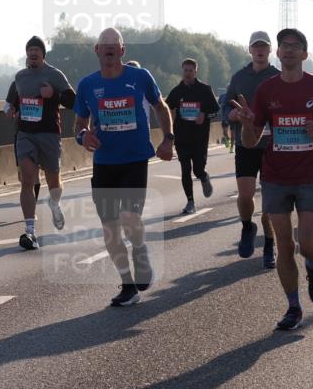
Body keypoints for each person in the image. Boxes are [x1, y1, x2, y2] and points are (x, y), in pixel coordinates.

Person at [229, 28, 313, 330]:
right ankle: (293, 307)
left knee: (306, 244)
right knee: (283, 245)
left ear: (305, 54)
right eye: (284, 46)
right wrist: (246, 123)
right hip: (276, 176)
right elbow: (252, 140)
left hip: (310, 175)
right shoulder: (267, 91)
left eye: (296, 46)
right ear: (277, 54)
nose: (289, 50)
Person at [73, 28, 174, 306]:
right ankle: (127, 284)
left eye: (113, 45)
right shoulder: (86, 85)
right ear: (96, 50)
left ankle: (140, 251)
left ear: (122, 50)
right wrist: (84, 137)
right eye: (104, 45)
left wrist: (168, 139)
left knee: (129, 219)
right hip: (104, 163)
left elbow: (161, 106)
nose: (108, 49)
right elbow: (79, 125)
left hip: (134, 159)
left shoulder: (140, 77)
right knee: (110, 229)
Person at [5, 36, 75, 250]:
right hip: (26, 133)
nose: (33, 53)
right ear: (26, 54)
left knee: (53, 180)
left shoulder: (55, 75)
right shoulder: (20, 77)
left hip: (49, 134)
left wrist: (53, 94)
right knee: (27, 179)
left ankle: (54, 203)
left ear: (43, 54)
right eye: (30, 50)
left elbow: (73, 101)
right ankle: (30, 230)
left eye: (37, 49)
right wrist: (11, 110)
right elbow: (11, 102)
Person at [223, 31, 281, 266]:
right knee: (245, 195)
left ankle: (269, 245)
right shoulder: (239, 78)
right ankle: (247, 225)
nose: (259, 50)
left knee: (269, 202)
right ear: (250, 50)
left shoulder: (278, 77)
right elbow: (225, 108)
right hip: (245, 144)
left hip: (271, 145)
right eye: (256, 47)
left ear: (270, 51)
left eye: (264, 47)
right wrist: (232, 114)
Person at [165, 58, 219, 214]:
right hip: (182, 138)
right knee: (185, 169)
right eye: (185, 70)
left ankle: (203, 177)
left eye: (191, 70)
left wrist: (205, 115)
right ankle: (190, 202)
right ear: (182, 71)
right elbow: (166, 110)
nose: (187, 73)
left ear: (196, 71)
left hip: (199, 138)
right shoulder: (176, 91)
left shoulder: (205, 89)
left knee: (197, 169)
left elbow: (216, 110)